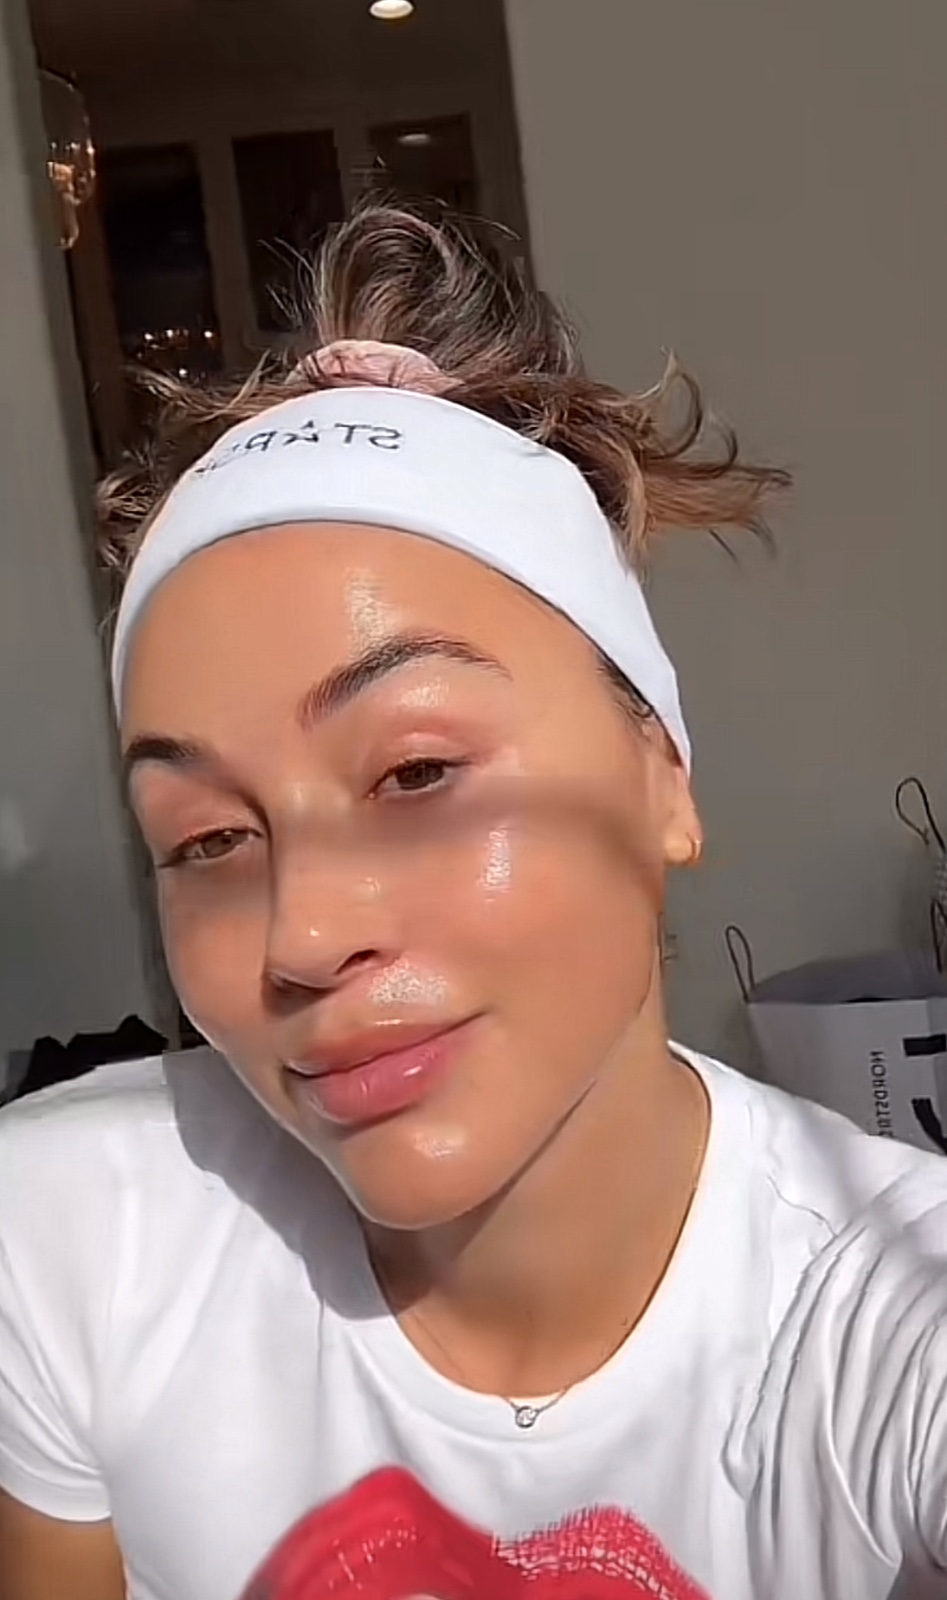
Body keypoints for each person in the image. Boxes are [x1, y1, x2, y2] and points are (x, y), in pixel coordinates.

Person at [1, 203, 946, 1600]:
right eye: (207, 840)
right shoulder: (69, 1232)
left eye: (418, 771)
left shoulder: (893, 1318)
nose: (303, 936)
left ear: (662, 778)